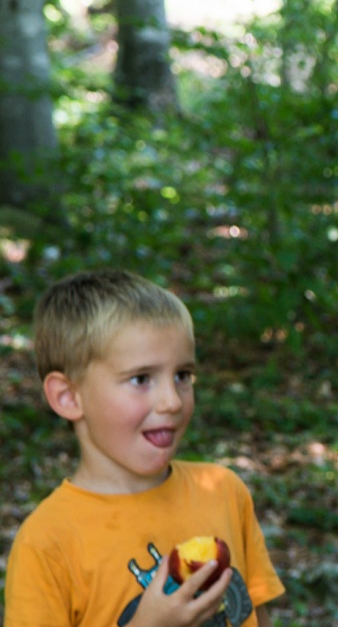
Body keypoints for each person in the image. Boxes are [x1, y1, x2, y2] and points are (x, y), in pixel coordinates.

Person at [5, 269, 284, 627]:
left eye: (182, 375)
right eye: (140, 379)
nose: (172, 401)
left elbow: (255, 615)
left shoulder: (224, 492)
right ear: (69, 397)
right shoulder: (47, 543)